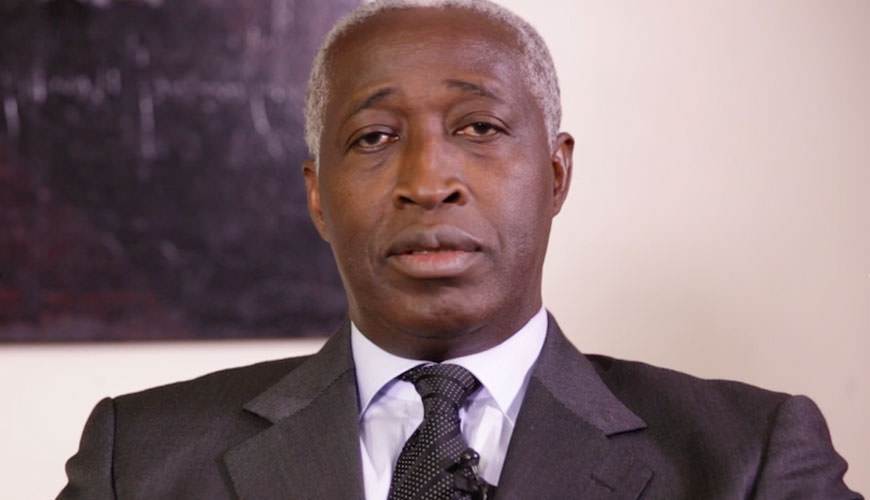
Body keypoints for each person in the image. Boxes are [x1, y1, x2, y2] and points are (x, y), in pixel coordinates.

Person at [58, 1, 861, 499]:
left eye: (479, 127)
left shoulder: (748, 457)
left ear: (556, 173)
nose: (427, 181)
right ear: (317, 196)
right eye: (375, 137)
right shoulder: (142, 462)